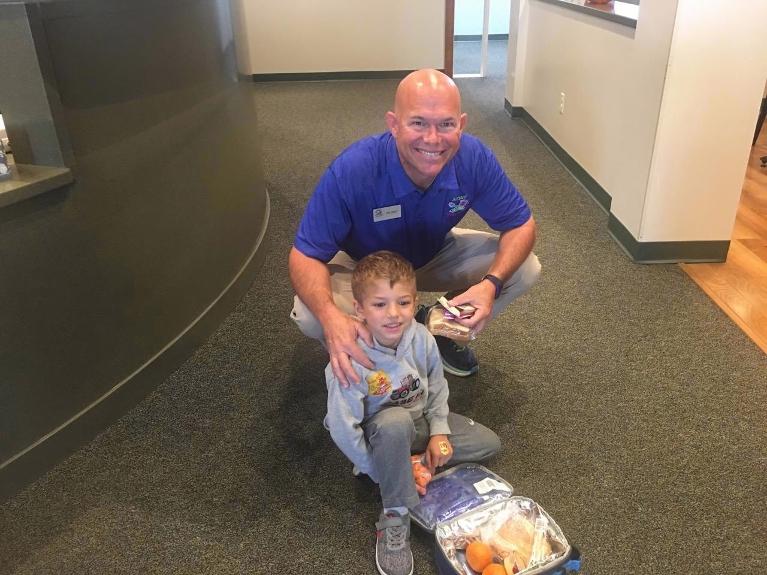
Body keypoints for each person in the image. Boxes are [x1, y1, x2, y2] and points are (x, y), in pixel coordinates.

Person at [290, 68, 540, 384]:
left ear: (461, 124)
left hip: (432, 253)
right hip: (362, 266)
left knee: (523, 269)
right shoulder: (354, 169)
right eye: (418, 123)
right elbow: (304, 255)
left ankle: (437, 328)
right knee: (311, 314)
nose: (433, 139)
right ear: (394, 124)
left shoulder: (473, 158)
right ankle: (383, 360)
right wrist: (330, 317)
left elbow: (521, 224)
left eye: (446, 124)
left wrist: (491, 283)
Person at [323, 251, 501, 575]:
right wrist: (374, 467)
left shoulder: (421, 338)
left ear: (415, 300)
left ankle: (408, 464)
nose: (394, 314)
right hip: (383, 430)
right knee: (394, 423)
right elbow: (340, 426)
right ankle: (394, 515)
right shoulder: (349, 358)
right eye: (379, 305)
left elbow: (436, 386)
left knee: (487, 443)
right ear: (358, 309)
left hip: (418, 422)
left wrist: (439, 431)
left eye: (403, 303)